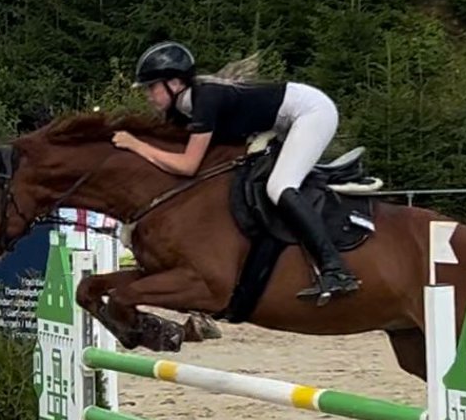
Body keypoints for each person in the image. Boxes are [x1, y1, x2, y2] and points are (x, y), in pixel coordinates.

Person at [111, 41, 360, 302]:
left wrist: (137, 145)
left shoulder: (205, 98)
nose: (148, 95)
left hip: (310, 112)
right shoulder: (182, 110)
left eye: (152, 87)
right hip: (282, 122)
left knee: (279, 186)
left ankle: (336, 269)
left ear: (174, 84)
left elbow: (187, 165)